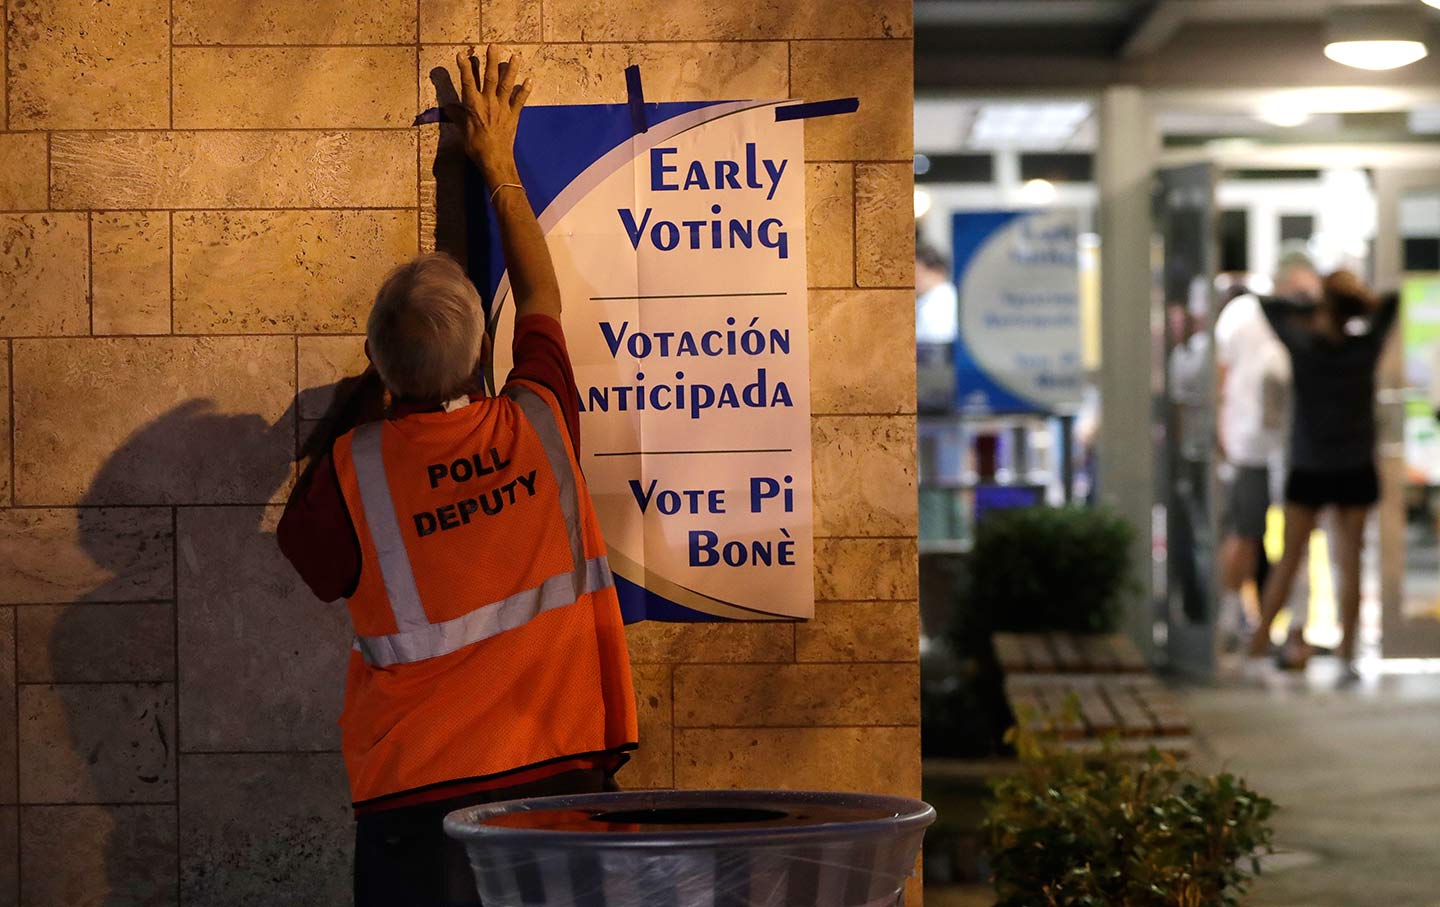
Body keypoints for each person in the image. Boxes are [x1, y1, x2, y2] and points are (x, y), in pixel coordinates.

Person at [277, 47, 637, 906]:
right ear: (485, 349)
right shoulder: (541, 420)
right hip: (560, 788)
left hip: (415, 808)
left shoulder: (351, 468)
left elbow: (309, 552)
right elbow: (540, 291)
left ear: (377, 362)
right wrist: (497, 162)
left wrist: (382, 382)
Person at [1248, 271, 1400, 685]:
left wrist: (1313, 306)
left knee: (1289, 559)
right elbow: (1391, 303)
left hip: (1311, 466)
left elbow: (1270, 307)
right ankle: (1347, 655)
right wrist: (1354, 304)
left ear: (1324, 308)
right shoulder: (1363, 349)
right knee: (1349, 562)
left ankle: (1258, 646)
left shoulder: (1305, 348)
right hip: (1353, 466)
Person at [1214, 255, 1321, 660]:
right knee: (1245, 534)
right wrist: (1222, 434)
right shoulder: (1244, 316)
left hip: (1295, 448)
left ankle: (1296, 631)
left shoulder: (1308, 319)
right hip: (1248, 445)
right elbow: (1221, 376)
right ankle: (1229, 623)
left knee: (1299, 542)